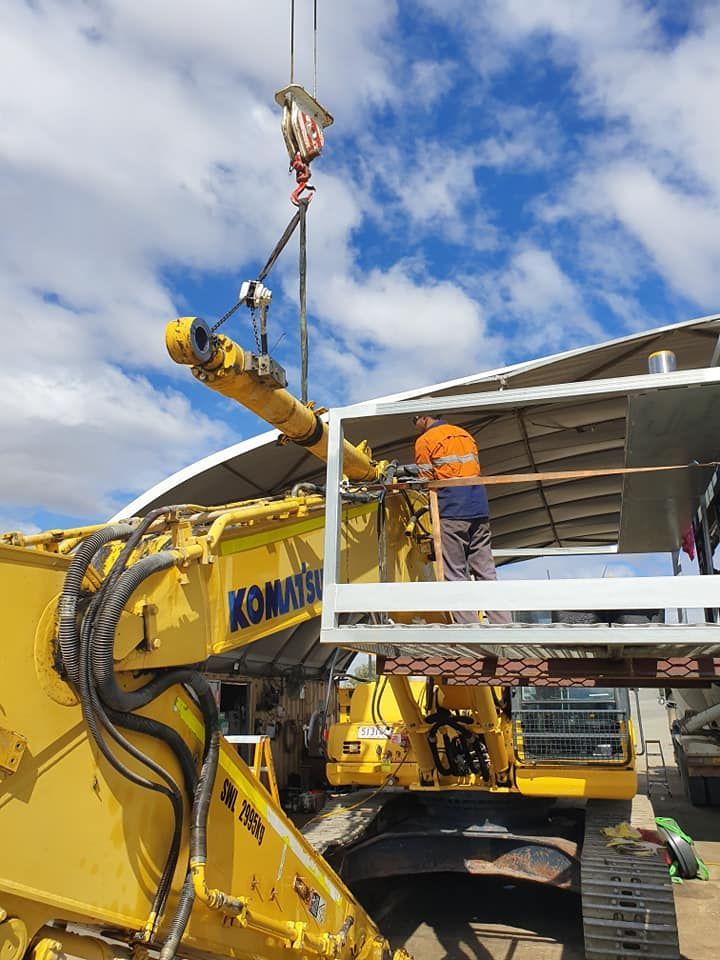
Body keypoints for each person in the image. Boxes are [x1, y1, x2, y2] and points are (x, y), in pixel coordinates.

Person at [412, 413, 511, 625]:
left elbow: (425, 480)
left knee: (454, 572)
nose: (415, 426)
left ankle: (469, 629)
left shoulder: (425, 440)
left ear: (424, 417)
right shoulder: (464, 434)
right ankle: (503, 624)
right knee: (486, 571)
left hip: (451, 508)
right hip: (479, 507)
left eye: (415, 421)